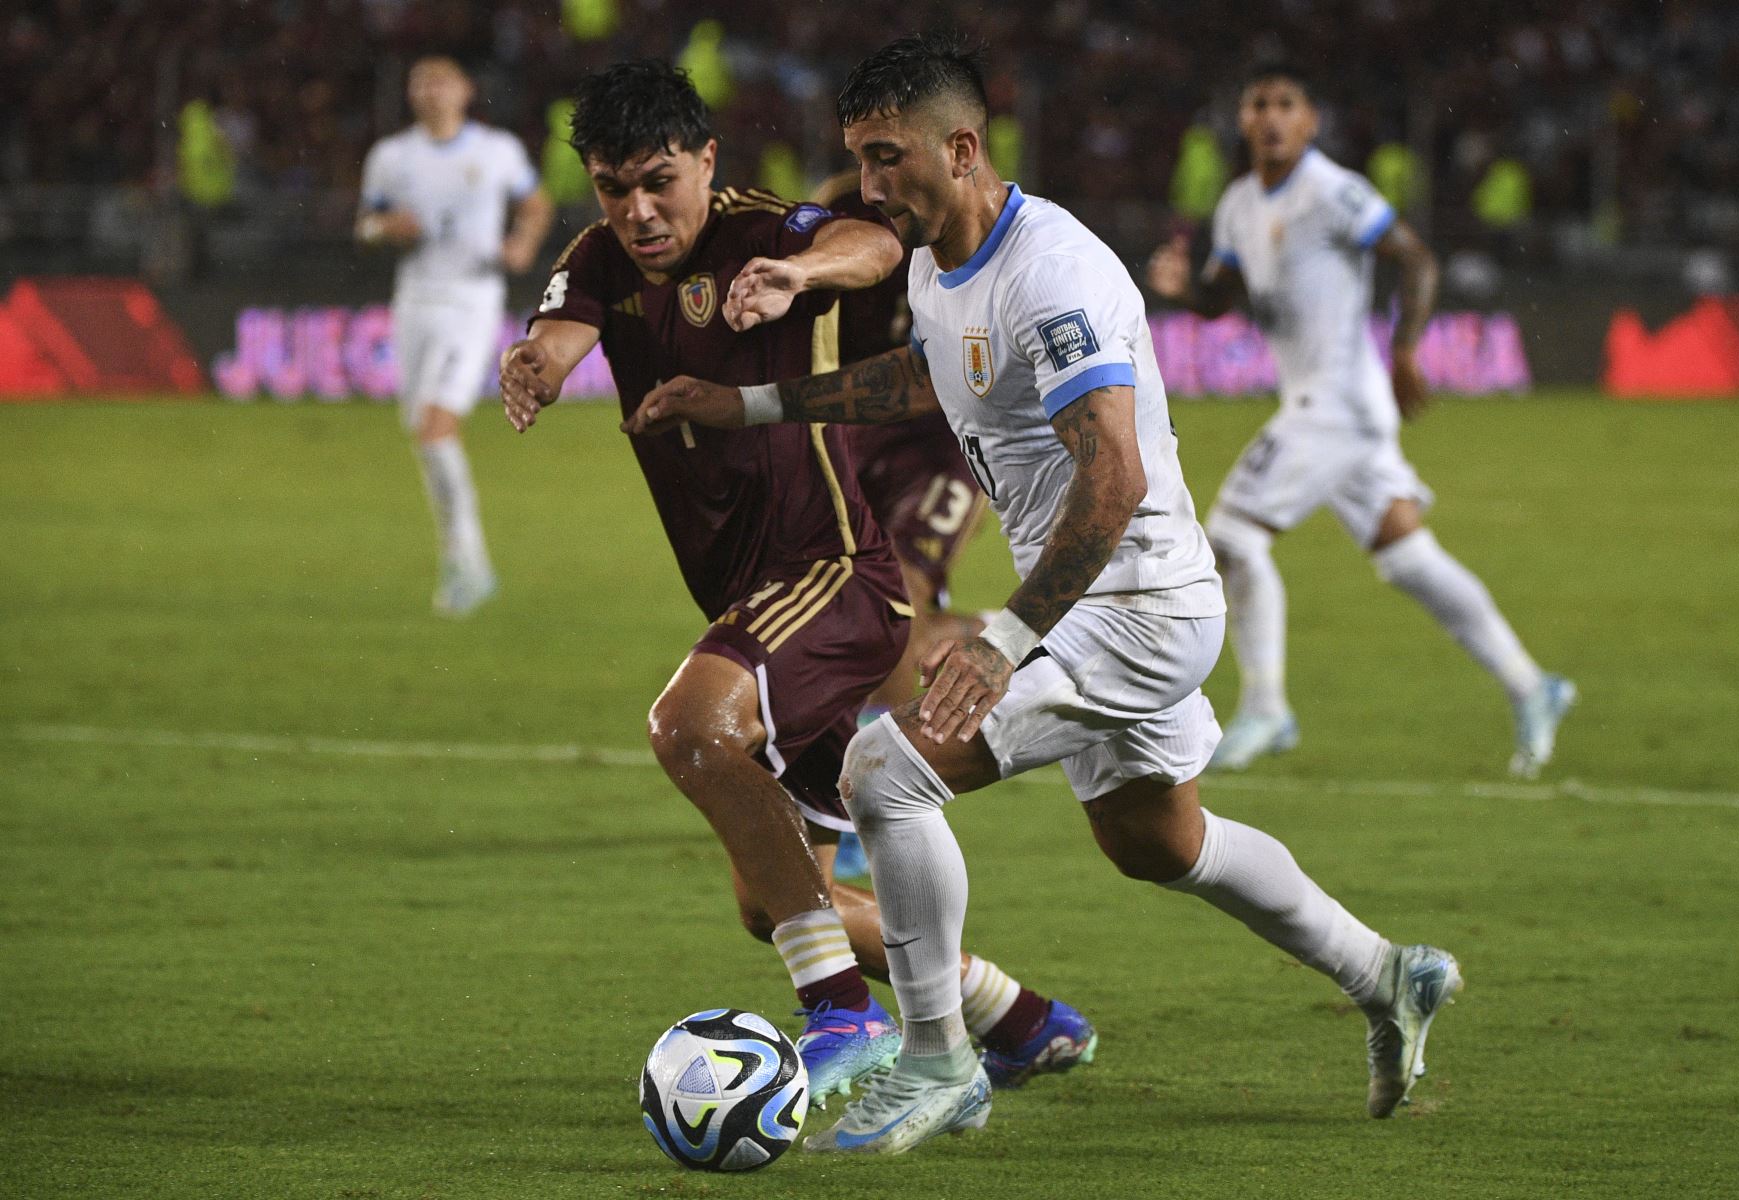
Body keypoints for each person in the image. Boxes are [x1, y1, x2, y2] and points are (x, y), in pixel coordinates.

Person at [631, 33, 1463, 1155]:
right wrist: (755, 408)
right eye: (858, 162)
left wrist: (1007, 633)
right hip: (1101, 607)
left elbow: (1112, 476)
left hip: (1138, 606)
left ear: (961, 146)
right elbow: (921, 377)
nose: (870, 189)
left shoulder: (1054, 273)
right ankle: (1388, 974)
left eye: (889, 160)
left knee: (890, 768)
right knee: (1159, 842)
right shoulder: (936, 261)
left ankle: (938, 1060)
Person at [497, 60, 1092, 1104]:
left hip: (833, 573)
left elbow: (872, 241)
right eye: (611, 186)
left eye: (657, 180)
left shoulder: (763, 232)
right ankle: (1018, 1016)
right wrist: (537, 366)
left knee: (690, 725)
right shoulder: (597, 257)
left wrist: (800, 278)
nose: (637, 211)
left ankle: (840, 1016)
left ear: (707, 162)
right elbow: (562, 327)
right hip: (752, 599)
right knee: (777, 895)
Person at [1146, 63, 1575, 777]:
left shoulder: (1332, 190)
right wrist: (1180, 290)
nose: (1273, 116)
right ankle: (1534, 686)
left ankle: (1267, 706)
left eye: (1288, 104)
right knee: (1410, 559)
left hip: (1339, 401)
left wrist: (1405, 348)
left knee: (1232, 537)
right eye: (1260, 104)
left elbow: (1416, 260)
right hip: (1321, 407)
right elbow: (1221, 301)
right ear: (1244, 120)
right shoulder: (1238, 205)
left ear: (1310, 122)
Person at [814, 167, 991, 885]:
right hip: (858, 430)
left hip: (942, 442)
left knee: (901, 592)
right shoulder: (835, 211)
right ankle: (1020, 636)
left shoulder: (964, 208)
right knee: (861, 605)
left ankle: (863, 800)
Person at [355, 57, 552, 616]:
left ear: (466, 91)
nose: (432, 90)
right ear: (411, 93)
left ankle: (469, 567)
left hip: (472, 300)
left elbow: (536, 204)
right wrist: (384, 228)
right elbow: (364, 224)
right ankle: (462, 559)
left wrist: (523, 245)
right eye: (421, 81)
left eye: (443, 80)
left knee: (437, 427)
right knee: (423, 432)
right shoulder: (391, 157)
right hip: (415, 300)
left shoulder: (495, 150)